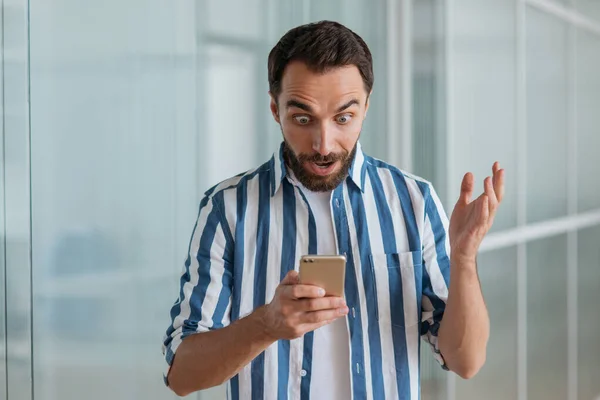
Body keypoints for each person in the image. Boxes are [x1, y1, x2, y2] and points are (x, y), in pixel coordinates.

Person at [162, 20, 504, 400]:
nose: (324, 144)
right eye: (303, 119)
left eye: (343, 118)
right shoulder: (226, 209)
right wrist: (266, 325)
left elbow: (465, 361)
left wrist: (464, 260)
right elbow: (182, 375)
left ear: (366, 108)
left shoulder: (414, 201)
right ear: (275, 110)